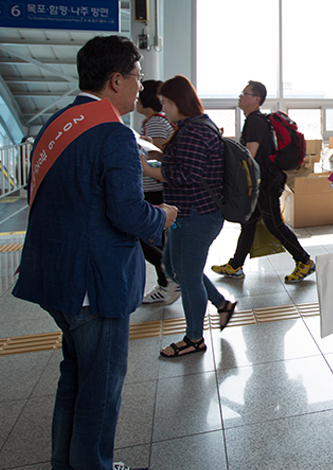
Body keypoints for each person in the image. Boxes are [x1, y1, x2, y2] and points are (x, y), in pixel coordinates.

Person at [13, 35, 176, 470]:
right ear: (116, 79)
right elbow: (127, 213)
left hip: (53, 276)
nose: (141, 87)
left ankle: (66, 463)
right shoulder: (112, 134)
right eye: (138, 77)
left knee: (75, 378)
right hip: (93, 285)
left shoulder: (57, 123)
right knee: (101, 388)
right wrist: (162, 217)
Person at [142, 75, 237, 357]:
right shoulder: (187, 127)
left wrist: (149, 171)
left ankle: (194, 338)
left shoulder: (196, 130)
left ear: (176, 101)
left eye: (165, 102)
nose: (163, 108)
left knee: (189, 276)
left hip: (200, 214)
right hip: (185, 213)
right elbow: (181, 164)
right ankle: (221, 304)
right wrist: (155, 158)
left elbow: (187, 174)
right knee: (173, 268)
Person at [210, 80, 315, 283]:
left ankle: (304, 261)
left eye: (245, 93)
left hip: (266, 183)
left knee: (274, 225)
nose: (240, 96)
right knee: (248, 224)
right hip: (263, 182)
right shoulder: (256, 121)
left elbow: (249, 157)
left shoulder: (255, 122)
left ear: (256, 99)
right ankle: (235, 265)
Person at [136, 79, 181, 305]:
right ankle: (168, 280)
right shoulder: (158, 121)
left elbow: (161, 156)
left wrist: (143, 156)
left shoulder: (154, 123)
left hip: (154, 188)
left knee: (146, 237)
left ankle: (169, 280)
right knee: (155, 238)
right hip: (157, 188)